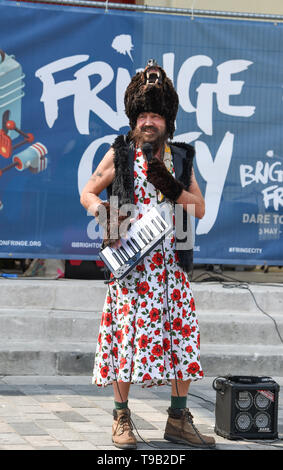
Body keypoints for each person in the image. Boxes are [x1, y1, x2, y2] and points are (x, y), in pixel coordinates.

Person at [80, 60, 216, 450]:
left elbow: (199, 209)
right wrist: (99, 210)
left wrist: (173, 188)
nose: (149, 122)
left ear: (167, 119)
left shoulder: (182, 157)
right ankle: (121, 419)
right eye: (143, 114)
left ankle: (178, 419)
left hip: (170, 269)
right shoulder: (120, 152)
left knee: (182, 340)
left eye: (155, 114)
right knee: (124, 340)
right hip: (130, 266)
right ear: (134, 119)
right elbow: (88, 190)